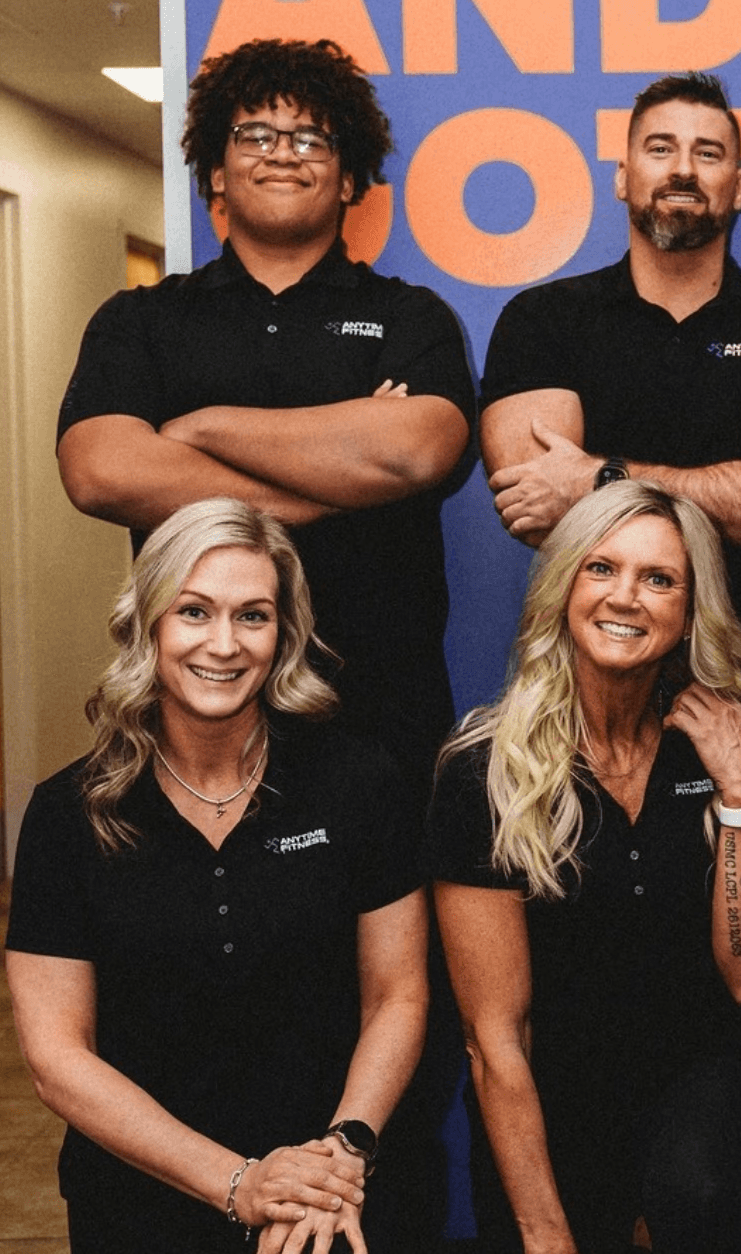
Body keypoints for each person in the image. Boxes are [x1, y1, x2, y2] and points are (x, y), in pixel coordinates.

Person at [56, 37, 477, 803]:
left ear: (350, 177)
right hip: (194, 716)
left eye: (311, 137)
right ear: (216, 171)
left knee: (396, 925)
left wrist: (199, 427)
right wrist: (334, 482)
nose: (283, 152)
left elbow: (416, 451)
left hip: (382, 711)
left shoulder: (411, 317)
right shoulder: (141, 321)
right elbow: (100, 469)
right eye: (255, 134)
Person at [6, 498, 429, 1254]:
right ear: (151, 625)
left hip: (331, 1192)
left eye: (253, 616)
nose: (224, 644)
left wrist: (340, 1153)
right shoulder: (67, 814)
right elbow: (57, 1060)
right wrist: (238, 1183)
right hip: (140, 1196)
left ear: (284, 634)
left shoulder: (358, 783)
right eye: (194, 611)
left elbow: (397, 993)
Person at [427, 481, 741, 1252]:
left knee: (697, 1187)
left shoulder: (715, 748)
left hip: (701, 1136)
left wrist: (740, 797)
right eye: (601, 569)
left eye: (659, 579)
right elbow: (496, 1039)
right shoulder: (484, 771)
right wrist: (548, 1236)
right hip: (549, 1132)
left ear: (689, 611)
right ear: (562, 589)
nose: (628, 597)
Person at [480, 71, 741, 770]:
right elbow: (533, 503)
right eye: (661, 148)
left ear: (738, 187)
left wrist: (602, 476)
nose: (684, 168)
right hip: (582, 703)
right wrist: (739, 496)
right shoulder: (544, 323)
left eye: (708, 153)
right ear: (622, 177)